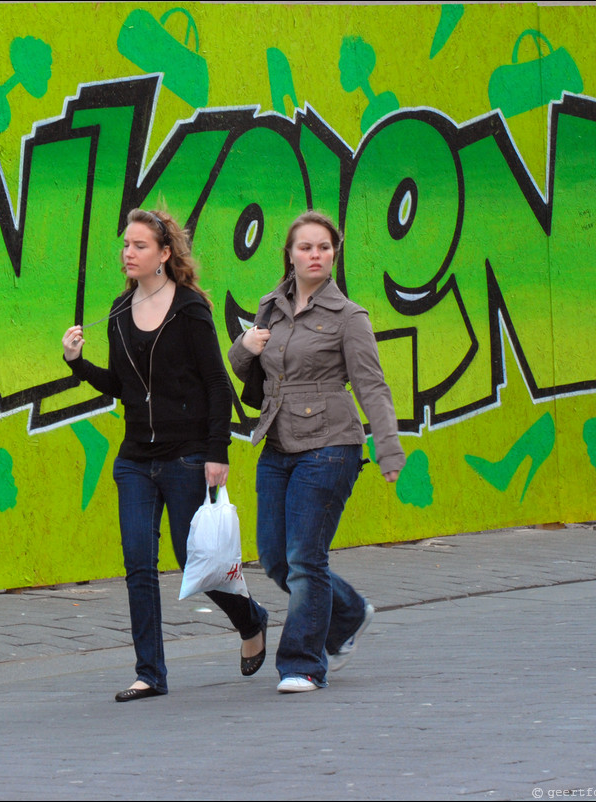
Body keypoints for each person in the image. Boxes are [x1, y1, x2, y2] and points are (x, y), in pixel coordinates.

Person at [62, 208, 270, 702]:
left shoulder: (190, 308)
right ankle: (150, 673)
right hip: (135, 458)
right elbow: (121, 386)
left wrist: (217, 452)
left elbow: (219, 386)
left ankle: (251, 619)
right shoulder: (116, 312)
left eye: (138, 246)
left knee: (195, 559)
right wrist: (77, 365)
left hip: (187, 456)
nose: (127, 253)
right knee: (138, 564)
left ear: (164, 254)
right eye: (126, 245)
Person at [227, 210, 405, 694]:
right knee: (276, 558)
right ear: (289, 253)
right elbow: (247, 370)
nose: (315, 255)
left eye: (324, 248)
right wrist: (244, 346)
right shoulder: (270, 307)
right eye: (306, 247)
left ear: (334, 254)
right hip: (277, 442)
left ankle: (303, 664)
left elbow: (372, 386)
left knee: (306, 557)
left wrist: (388, 449)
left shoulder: (349, 318)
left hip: (331, 444)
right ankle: (348, 613)